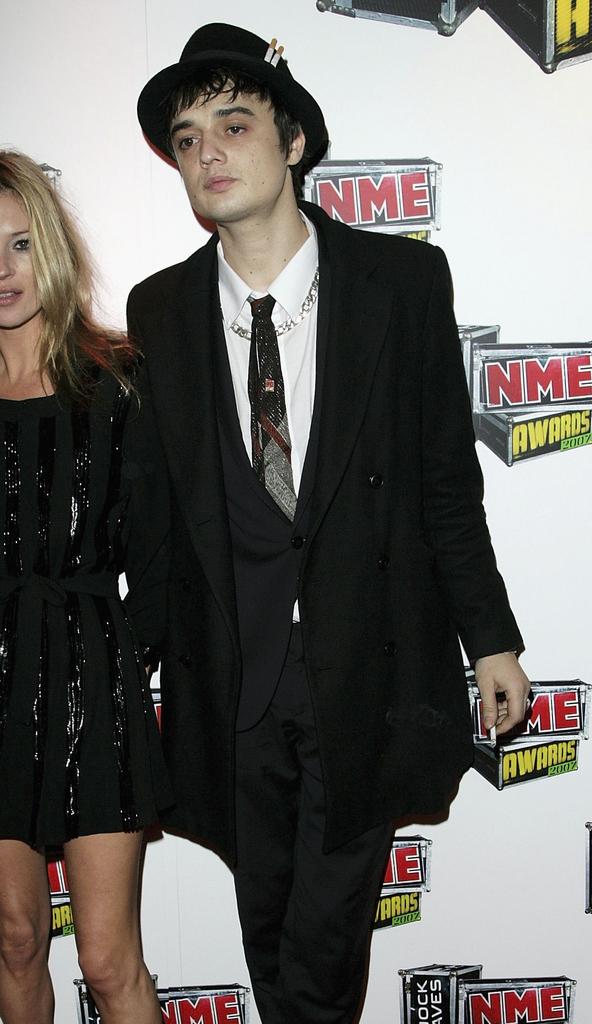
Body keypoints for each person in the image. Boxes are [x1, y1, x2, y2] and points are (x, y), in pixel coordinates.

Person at [126, 23, 531, 1024]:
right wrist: (131, 658)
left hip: (369, 670)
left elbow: (445, 480)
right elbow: (160, 516)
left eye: (232, 122)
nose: (208, 153)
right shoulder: (162, 311)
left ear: (294, 140)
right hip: (232, 683)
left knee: (323, 935)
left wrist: (491, 638)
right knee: (268, 923)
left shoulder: (399, 285)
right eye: (186, 138)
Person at [0, 149, 170, 1024]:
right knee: (15, 934)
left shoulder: (119, 380)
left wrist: (125, 662)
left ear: (49, 248)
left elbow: (159, 549)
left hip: (95, 667)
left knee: (106, 959)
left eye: (18, 244)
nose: (0, 270)